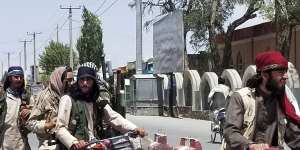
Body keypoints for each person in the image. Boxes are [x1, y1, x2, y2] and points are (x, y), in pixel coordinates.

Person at [55, 63, 146, 150]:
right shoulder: (68, 99)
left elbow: (113, 117)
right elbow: (60, 128)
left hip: (93, 145)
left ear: (94, 82)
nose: (85, 83)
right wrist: (74, 143)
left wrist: (134, 128)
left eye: (88, 80)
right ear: (77, 81)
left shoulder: (96, 100)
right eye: (82, 80)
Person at [223, 51, 300, 150]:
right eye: (281, 72)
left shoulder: (281, 102)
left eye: (285, 72)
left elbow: (295, 138)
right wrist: (250, 145)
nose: (286, 76)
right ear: (265, 74)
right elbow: (230, 132)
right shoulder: (241, 98)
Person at [26, 66, 73, 150]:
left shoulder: (69, 97)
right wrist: (47, 125)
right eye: (68, 81)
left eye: (71, 80)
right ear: (59, 80)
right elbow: (30, 123)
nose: (70, 84)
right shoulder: (45, 97)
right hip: (49, 145)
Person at [0, 66, 31, 150]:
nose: (19, 79)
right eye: (16, 77)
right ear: (10, 78)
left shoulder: (25, 97)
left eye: (21, 77)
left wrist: (29, 111)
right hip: (5, 143)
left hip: (22, 143)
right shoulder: (3, 98)